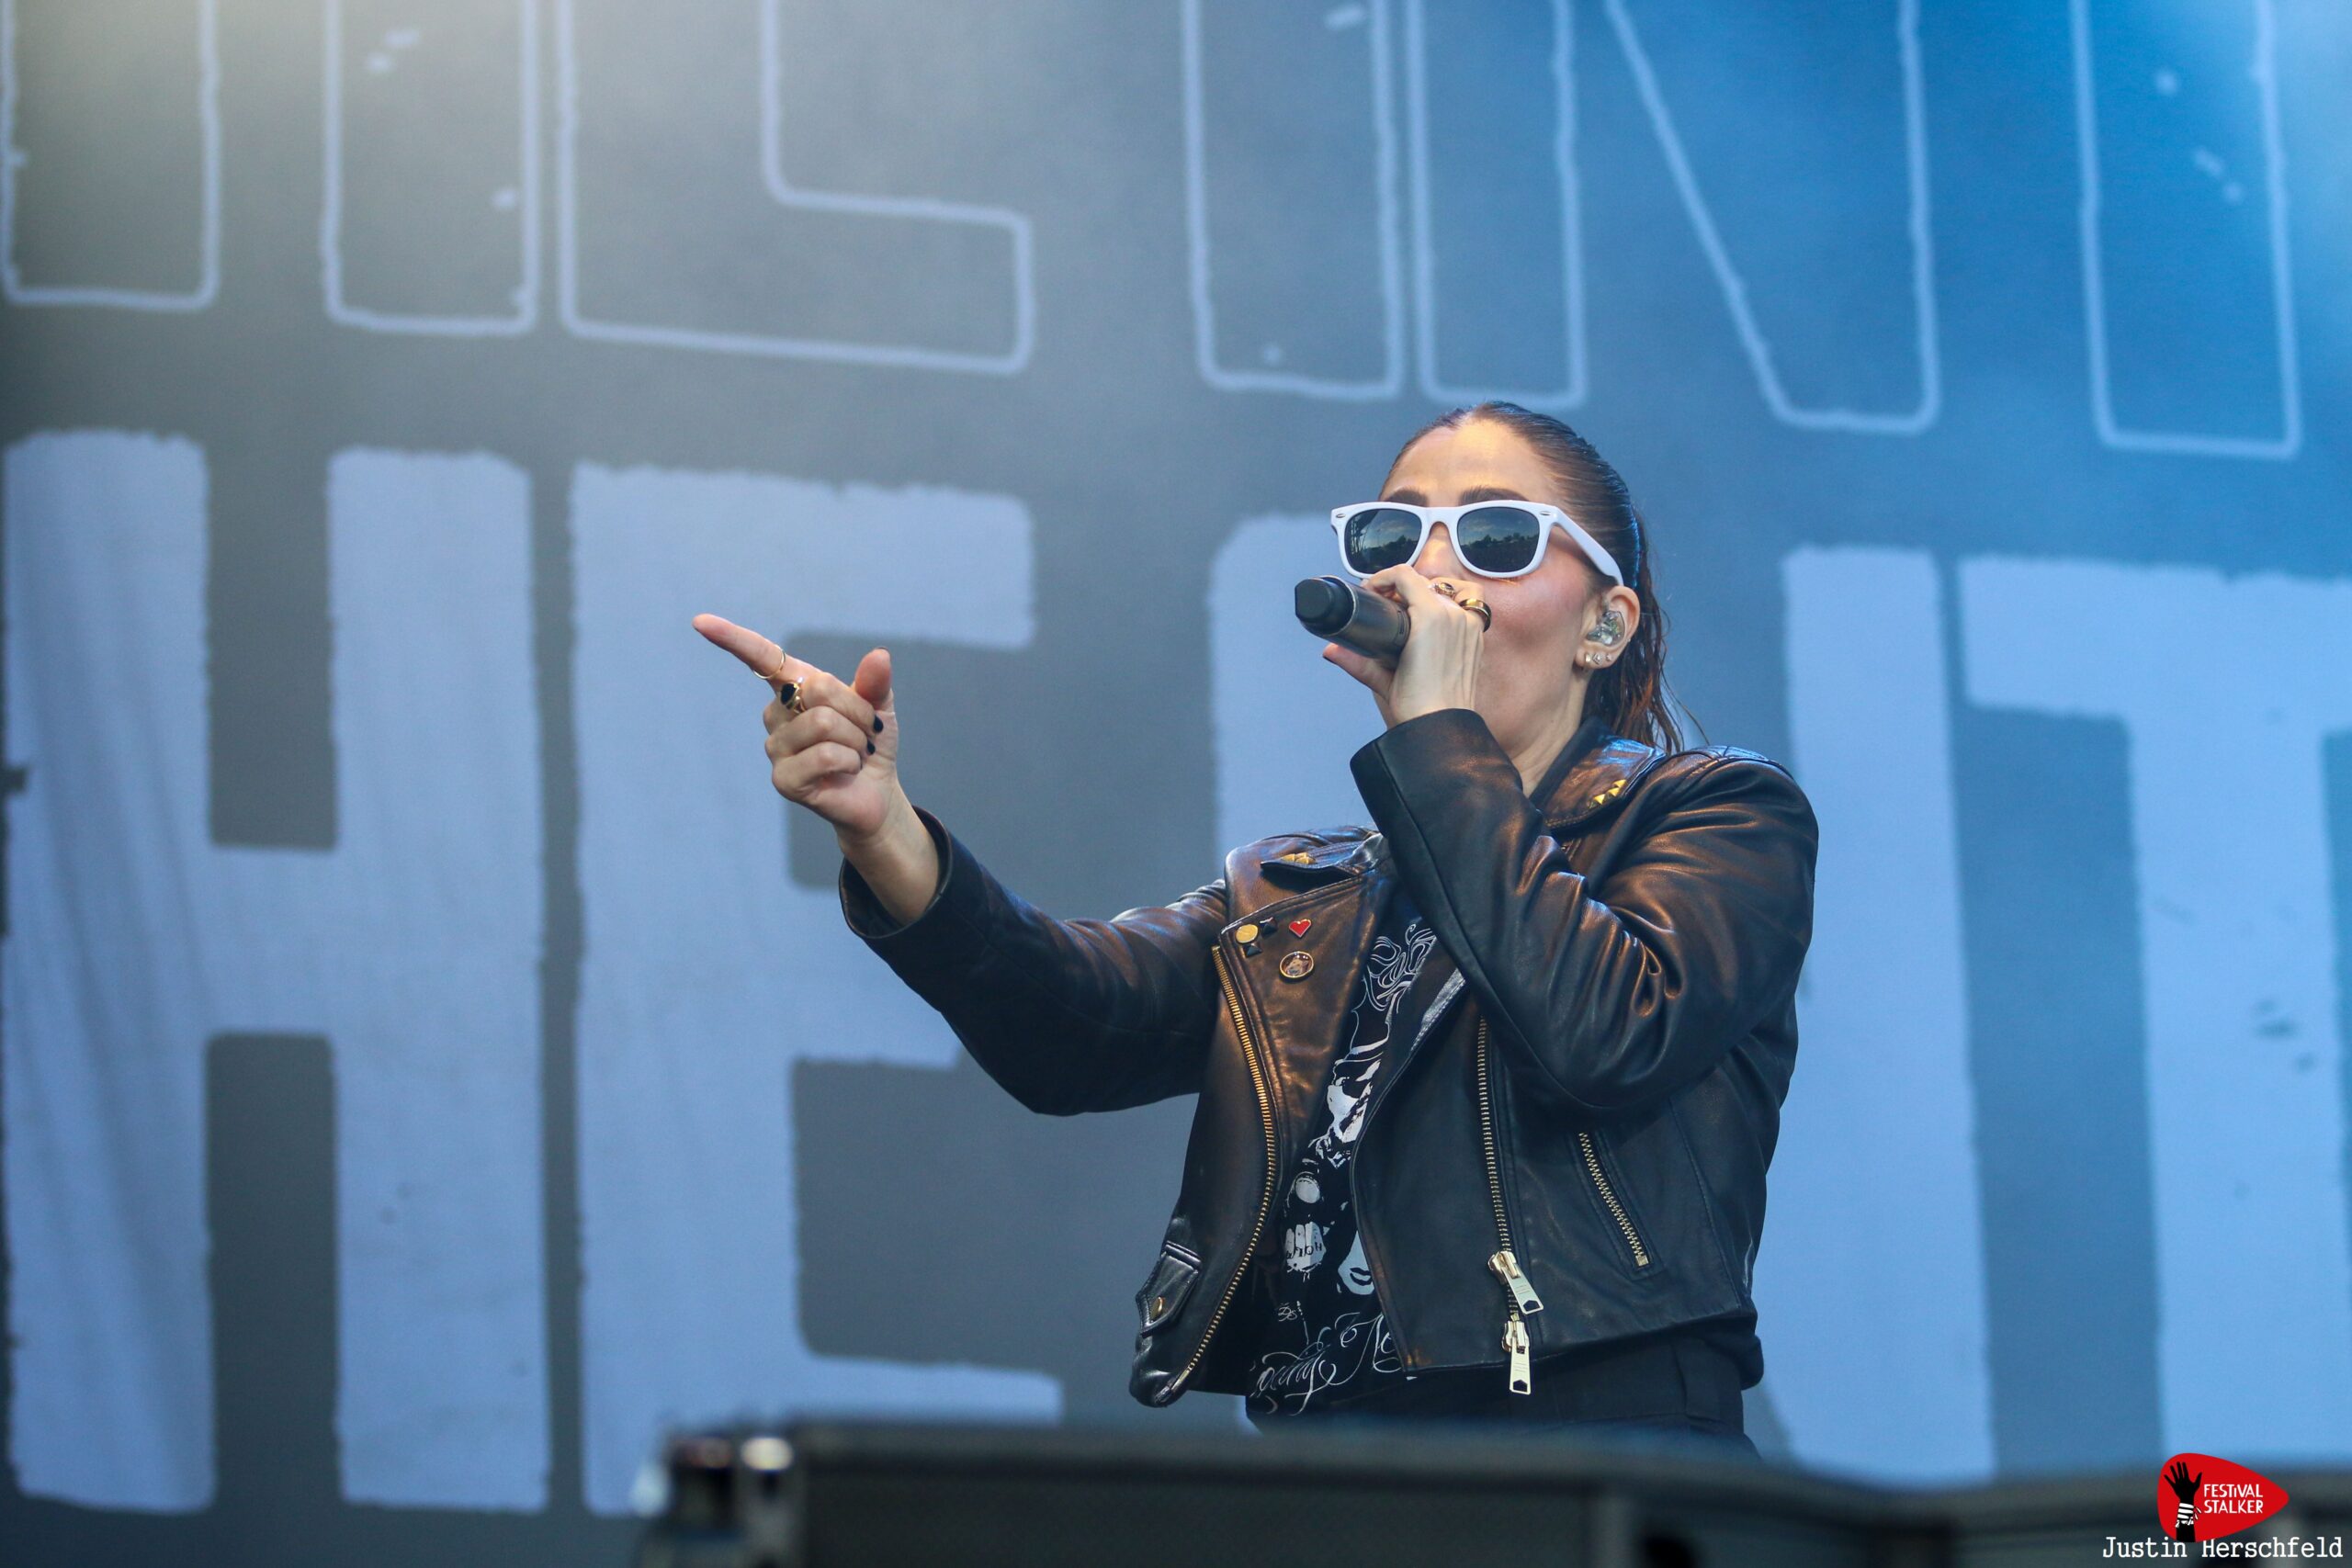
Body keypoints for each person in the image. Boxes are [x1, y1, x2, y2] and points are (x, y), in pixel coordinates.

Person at [693, 401, 1818, 1461]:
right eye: (1392, 533)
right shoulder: (1300, 895)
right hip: (1337, 1461)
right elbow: (1069, 1028)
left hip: (1591, 1439)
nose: (1430, 569)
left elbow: (1603, 1034)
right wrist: (883, 828)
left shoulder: (1717, 814)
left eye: (1493, 536)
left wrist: (1440, 736)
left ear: (1604, 624)